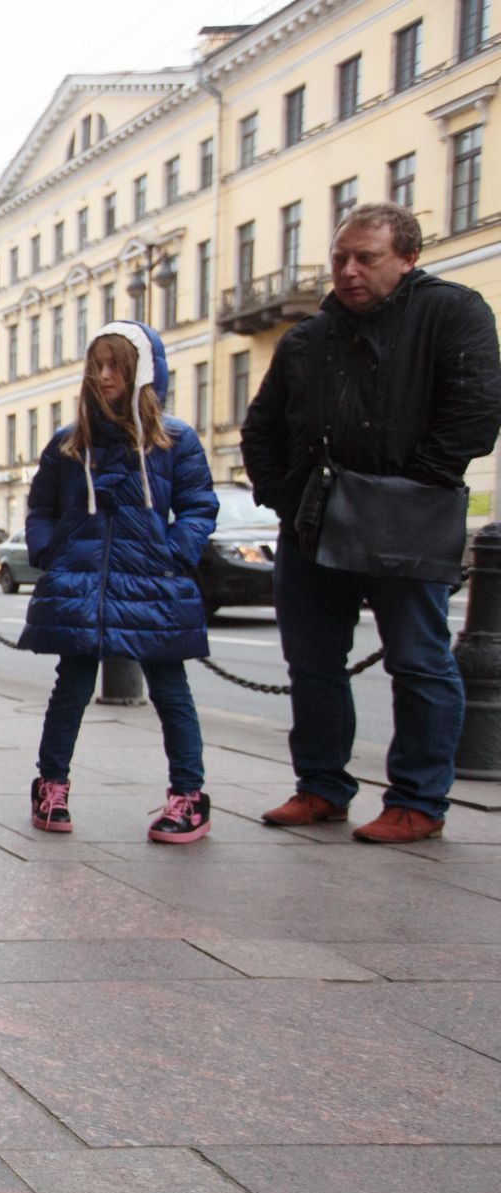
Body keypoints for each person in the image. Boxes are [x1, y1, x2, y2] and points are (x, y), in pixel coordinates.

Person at [242, 203, 501, 842]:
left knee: (418, 661)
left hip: (405, 521)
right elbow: (263, 428)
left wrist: (404, 491)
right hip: (312, 524)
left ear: (407, 258)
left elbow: (475, 412)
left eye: (367, 258)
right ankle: (322, 788)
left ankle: (417, 801)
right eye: (340, 259)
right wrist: (285, 497)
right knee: (314, 663)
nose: (349, 271)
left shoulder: (453, 312)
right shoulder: (306, 338)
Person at [21, 321, 219, 843]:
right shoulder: (69, 445)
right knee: (72, 687)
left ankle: (188, 796)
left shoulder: (173, 441)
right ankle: (51, 786)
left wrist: (173, 552)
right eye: (98, 365)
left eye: (117, 366)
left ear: (141, 374)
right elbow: (40, 507)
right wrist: (49, 552)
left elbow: (200, 505)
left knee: (171, 691)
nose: (104, 376)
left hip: (151, 582)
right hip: (84, 582)